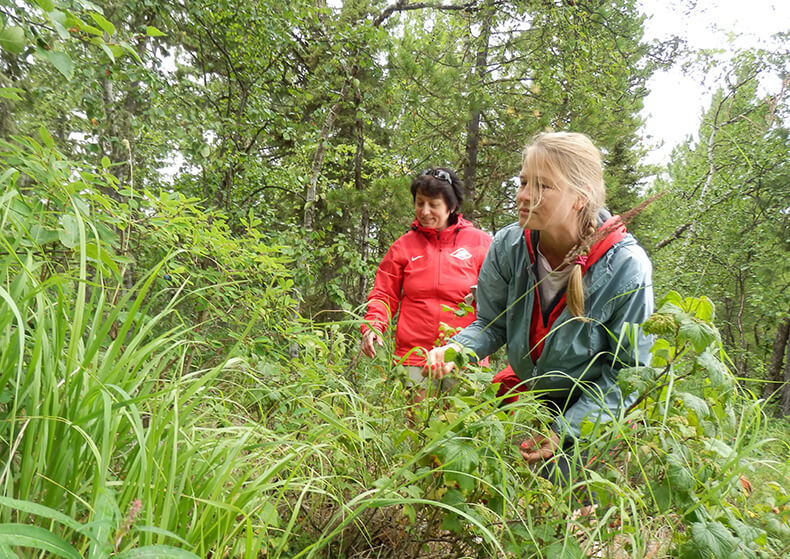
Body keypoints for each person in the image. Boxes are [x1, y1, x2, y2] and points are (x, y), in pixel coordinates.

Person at [424, 132, 654, 485]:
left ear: (581, 197)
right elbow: (491, 322)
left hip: (592, 405)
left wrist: (566, 430)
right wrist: (456, 348)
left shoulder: (625, 267)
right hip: (531, 391)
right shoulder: (509, 245)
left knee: (560, 497)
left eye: (542, 186)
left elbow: (626, 376)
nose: (522, 196)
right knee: (475, 468)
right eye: (523, 182)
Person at [361, 167, 492, 400]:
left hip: (463, 354)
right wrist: (374, 325)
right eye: (419, 203)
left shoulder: (480, 244)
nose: (425, 211)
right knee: (415, 428)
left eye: (433, 204)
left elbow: (499, 297)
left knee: (461, 430)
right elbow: (384, 293)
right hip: (414, 356)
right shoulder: (404, 246)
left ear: (451, 206)